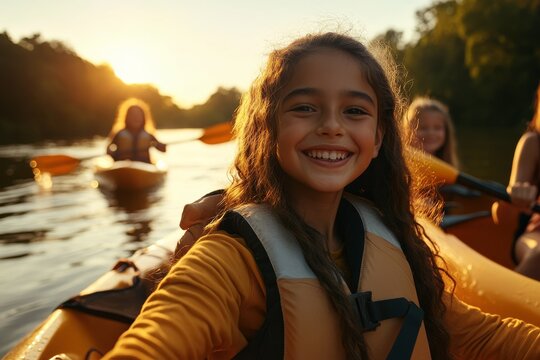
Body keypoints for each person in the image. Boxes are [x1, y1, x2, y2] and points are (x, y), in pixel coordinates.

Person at [104, 33, 540, 359]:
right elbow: (156, 340)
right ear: (268, 127)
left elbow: (479, 335)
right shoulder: (228, 258)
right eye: (305, 107)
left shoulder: (391, 239)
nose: (332, 126)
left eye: (354, 110)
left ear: (378, 135)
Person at [506, 83, 540, 281]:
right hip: (534, 233)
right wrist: (519, 194)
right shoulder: (533, 143)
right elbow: (512, 198)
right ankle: (500, 310)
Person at [402, 96, 459, 168]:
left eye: (437, 128)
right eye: (423, 128)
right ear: (408, 130)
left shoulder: (450, 167)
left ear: (446, 131)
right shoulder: (400, 166)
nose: (431, 133)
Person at [106, 98, 166, 163]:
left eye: (138, 115)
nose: (136, 118)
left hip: (144, 164)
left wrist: (159, 145)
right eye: (132, 115)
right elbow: (108, 148)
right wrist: (111, 152)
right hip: (122, 164)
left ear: (144, 118)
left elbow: (163, 150)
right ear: (126, 117)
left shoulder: (148, 135)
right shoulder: (119, 134)